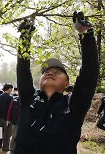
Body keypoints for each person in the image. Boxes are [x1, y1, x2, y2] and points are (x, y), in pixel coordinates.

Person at [14, 11, 99, 154]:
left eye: (58, 72)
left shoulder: (74, 104)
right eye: (46, 72)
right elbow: (22, 68)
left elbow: (89, 73)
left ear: (67, 84)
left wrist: (86, 34)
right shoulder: (29, 99)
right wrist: (25, 37)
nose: (50, 73)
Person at [0, 83, 13, 154]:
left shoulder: (0, 96)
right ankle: (5, 148)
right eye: (11, 89)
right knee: (7, 134)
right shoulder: (10, 97)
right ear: (8, 89)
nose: (11, 90)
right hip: (6, 118)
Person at [6, 87, 20, 154]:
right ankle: (12, 150)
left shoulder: (28, 100)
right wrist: (8, 119)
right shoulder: (14, 99)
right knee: (14, 136)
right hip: (15, 122)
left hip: (24, 122)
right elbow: (10, 110)